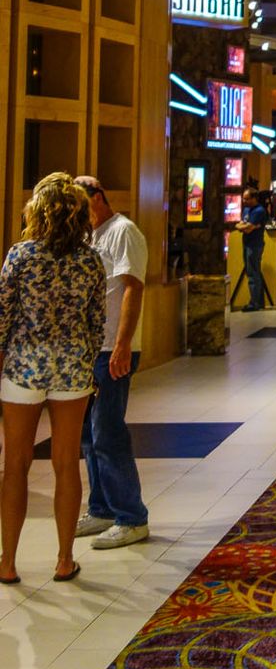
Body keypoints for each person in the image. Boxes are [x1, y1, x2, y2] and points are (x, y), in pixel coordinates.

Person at [0, 174, 106, 584]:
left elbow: (4, 314)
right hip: (72, 368)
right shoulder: (89, 259)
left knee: (16, 466)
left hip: (23, 368)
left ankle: (8, 563)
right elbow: (97, 321)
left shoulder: (20, 255)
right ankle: (64, 559)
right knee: (66, 464)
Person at [73, 176, 151, 549]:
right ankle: (101, 508)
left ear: (98, 198)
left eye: (80, 205)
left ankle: (131, 516)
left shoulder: (123, 231)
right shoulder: (87, 235)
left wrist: (122, 345)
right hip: (90, 348)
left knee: (107, 431)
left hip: (113, 349)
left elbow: (133, 287)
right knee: (88, 435)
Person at [237, 186, 267, 311]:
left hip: (255, 245)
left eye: (247, 199)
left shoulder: (259, 211)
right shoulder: (246, 210)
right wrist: (244, 226)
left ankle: (254, 303)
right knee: (253, 272)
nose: (244, 201)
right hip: (247, 243)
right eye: (243, 199)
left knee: (253, 273)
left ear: (254, 198)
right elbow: (241, 225)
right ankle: (258, 301)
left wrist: (245, 227)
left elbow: (248, 228)